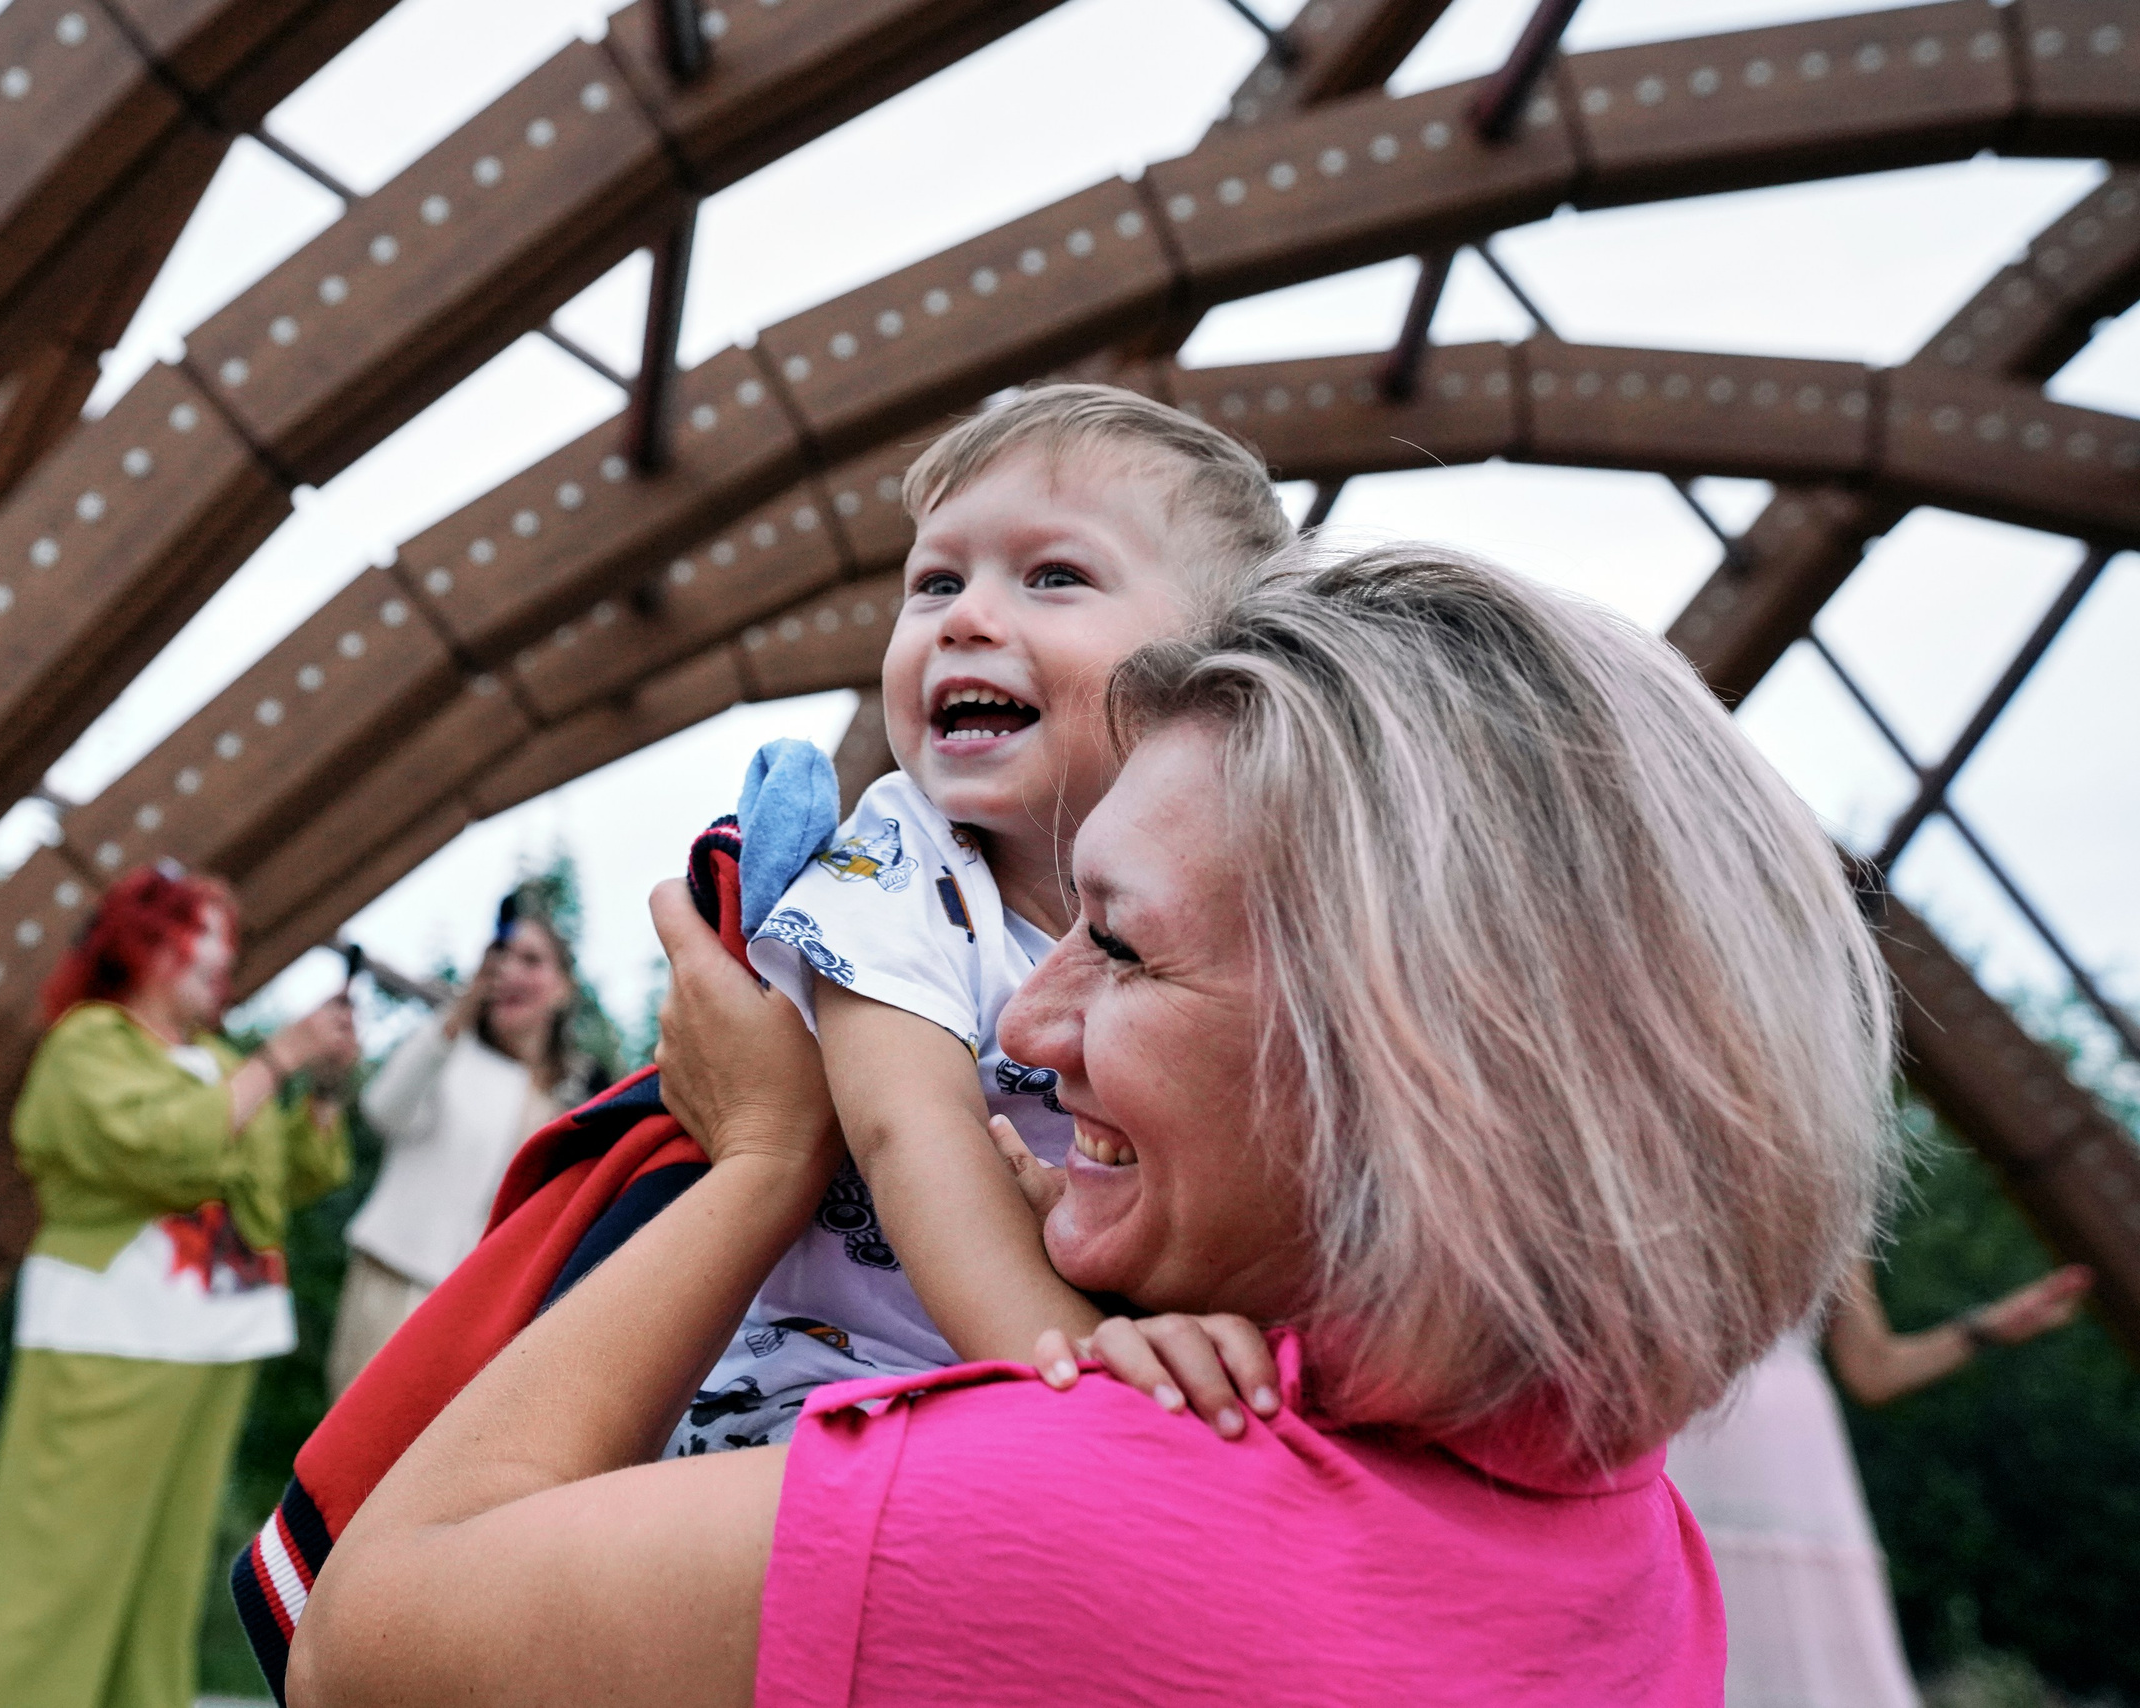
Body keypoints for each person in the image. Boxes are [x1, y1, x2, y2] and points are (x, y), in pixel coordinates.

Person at [292, 544, 1898, 1706]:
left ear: (1411, 1058)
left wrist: (763, 1169)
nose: (1026, 1022)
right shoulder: (1622, 1529)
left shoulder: (1075, 1521)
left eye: (1117, 942)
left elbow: (366, 1648)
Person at [674, 383, 1297, 1454]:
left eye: (1053, 576)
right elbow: (908, 1125)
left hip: (1058, 1372)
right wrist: (1078, 1364)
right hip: (834, 1391)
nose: (964, 617)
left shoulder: (1264, 894)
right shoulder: (898, 862)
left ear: (1221, 665)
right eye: (935, 581)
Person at [0, 862, 357, 1708]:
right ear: (149, 941)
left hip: (217, 1341)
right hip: (111, 1336)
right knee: (53, 1578)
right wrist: (278, 1059)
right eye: (210, 933)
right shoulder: (87, 1043)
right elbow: (164, 1149)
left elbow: (285, 1180)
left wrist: (323, 1088)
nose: (226, 956)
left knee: (158, 1589)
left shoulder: (215, 1060)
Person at [1665, 1259, 2091, 1707]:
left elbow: (1872, 1368)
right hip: (1671, 1426)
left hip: (1791, 1458)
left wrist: (1986, 1328)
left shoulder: (1825, 1188)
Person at [326, 890, 597, 1397]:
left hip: (483, 1308)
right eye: (501, 957)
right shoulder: (450, 1052)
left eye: (531, 960)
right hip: (394, 1280)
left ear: (563, 988)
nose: (510, 971)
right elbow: (382, 1110)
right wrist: (458, 1011)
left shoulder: (575, 1093)